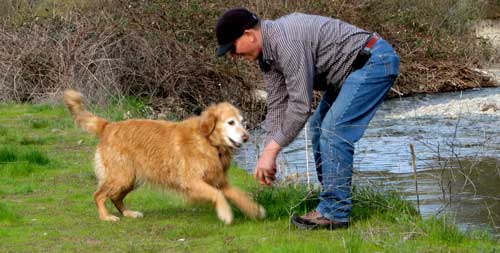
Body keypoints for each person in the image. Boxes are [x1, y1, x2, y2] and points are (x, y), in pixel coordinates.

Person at [215, 8, 400, 230]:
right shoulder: (267, 57)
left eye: (232, 49)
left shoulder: (287, 42)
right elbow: (277, 107)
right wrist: (267, 152)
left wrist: (271, 152)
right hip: (349, 72)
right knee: (318, 127)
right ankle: (331, 201)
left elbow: (300, 106)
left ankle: (335, 211)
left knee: (334, 130)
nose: (233, 56)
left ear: (249, 35)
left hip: (374, 62)